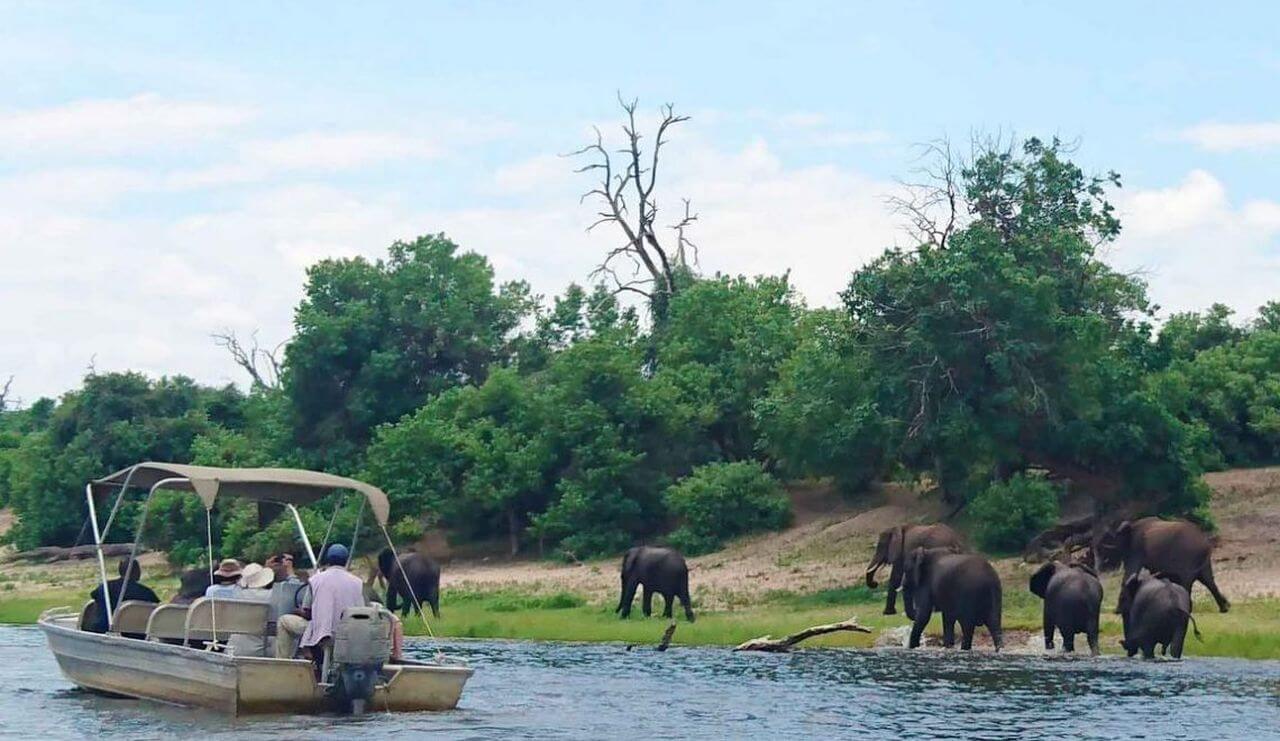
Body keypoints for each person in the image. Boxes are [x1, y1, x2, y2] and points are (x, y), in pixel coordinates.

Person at [276, 544, 364, 665]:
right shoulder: (358, 582)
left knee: (283, 621)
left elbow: (308, 613)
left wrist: (297, 611)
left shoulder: (315, 580)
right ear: (346, 561)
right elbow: (361, 611)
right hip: (349, 632)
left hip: (324, 633)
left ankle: (282, 664)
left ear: (327, 560)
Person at [86, 557, 159, 634]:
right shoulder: (147, 593)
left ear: (120, 571)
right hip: (135, 634)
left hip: (102, 630)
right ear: (137, 572)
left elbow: (94, 595)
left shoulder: (105, 587)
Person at [225, 563, 274, 656]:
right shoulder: (270, 595)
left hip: (233, 647)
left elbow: (239, 585)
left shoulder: (237, 594)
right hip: (259, 650)